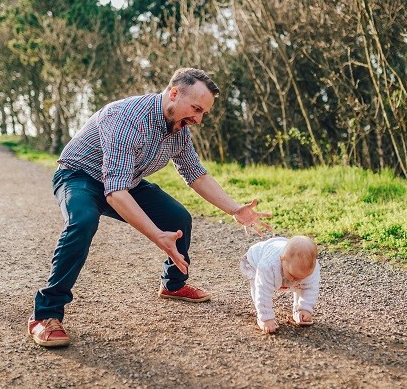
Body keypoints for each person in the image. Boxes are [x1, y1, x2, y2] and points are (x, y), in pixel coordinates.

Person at [27, 67, 272, 347]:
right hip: (79, 176)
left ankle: (173, 285)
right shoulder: (124, 119)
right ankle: (44, 314)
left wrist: (235, 210)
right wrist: (157, 235)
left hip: (125, 181)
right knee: (83, 221)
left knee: (178, 217)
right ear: (175, 93)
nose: (199, 118)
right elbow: (115, 194)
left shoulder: (178, 127)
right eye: (196, 108)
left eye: (203, 112)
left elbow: (195, 173)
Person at [239, 235, 320, 334]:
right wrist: (266, 318)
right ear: (282, 259)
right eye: (293, 275)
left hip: (281, 252)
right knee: (258, 285)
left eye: (302, 277)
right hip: (255, 260)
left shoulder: (310, 269)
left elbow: (310, 288)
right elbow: (263, 291)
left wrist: (305, 308)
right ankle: (262, 318)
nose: (296, 280)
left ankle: (299, 310)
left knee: (302, 285)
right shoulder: (268, 266)